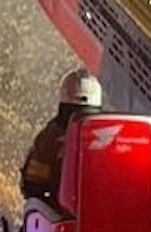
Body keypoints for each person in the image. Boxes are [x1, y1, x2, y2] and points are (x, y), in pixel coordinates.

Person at [19, 68, 103, 205]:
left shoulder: (49, 138)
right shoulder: (113, 137)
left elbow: (31, 186)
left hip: (61, 217)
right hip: (103, 215)